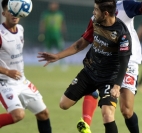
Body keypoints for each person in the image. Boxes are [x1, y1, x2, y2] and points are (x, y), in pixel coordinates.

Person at [38, 0, 132, 133]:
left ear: (105, 13)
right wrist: (58, 56)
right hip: (89, 71)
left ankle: (93, 94)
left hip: (109, 78)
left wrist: (117, 86)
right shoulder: (94, 21)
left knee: (107, 114)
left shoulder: (122, 33)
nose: (93, 12)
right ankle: (92, 92)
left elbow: (124, 62)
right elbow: (81, 43)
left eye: (96, 10)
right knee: (64, 104)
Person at [76, 0, 142, 133]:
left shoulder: (125, 5)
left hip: (128, 60)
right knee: (102, 104)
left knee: (126, 110)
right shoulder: (99, 8)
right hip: (106, 60)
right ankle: (86, 123)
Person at [0, 0, 52, 132]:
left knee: (43, 114)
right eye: (10, 10)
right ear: (4, 13)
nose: (14, 12)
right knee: (18, 115)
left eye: (16, 9)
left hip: (22, 81)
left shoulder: (21, 30)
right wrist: (6, 71)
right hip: (4, 82)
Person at [39, 2, 67, 70]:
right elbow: (43, 24)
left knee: (61, 49)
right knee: (48, 49)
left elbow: (62, 24)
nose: (53, 6)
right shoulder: (46, 14)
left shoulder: (60, 14)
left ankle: (62, 64)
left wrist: (64, 33)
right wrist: (41, 33)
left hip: (57, 34)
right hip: (48, 34)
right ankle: (49, 64)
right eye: (51, 4)